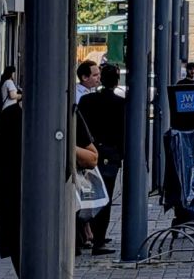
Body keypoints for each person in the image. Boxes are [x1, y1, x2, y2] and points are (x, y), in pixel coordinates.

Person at [0, 97, 97, 275]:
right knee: (24, 269)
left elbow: (92, 158)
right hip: (13, 211)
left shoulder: (65, 112)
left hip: (55, 211)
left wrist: (61, 143)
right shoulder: (9, 117)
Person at [78, 63, 126, 257]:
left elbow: (79, 126)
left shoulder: (87, 100)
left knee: (83, 195)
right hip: (109, 155)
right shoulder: (121, 103)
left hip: (86, 152)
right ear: (116, 82)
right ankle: (98, 240)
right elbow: (123, 132)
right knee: (105, 198)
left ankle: (79, 239)